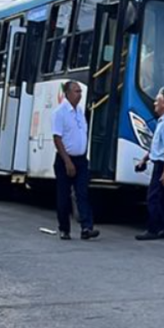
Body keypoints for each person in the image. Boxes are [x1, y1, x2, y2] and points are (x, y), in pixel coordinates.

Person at [51, 81, 98, 241]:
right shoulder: (60, 112)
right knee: (63, 196)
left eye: (80, 91)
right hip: (66, 160)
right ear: (68, 93)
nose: (80, 95)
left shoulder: (80, 111)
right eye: (77, 91)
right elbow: (57, 138)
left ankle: (86, 228)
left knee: (82, 194)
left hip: (81, 160)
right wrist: (67, 161)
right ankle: (64, 229)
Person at [135, 88, 164, 241]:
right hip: (163, 163)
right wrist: (144, 159)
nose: (154, 103)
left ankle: (153, 229)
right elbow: (158, 147)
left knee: (153, 197)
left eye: (157, 101)